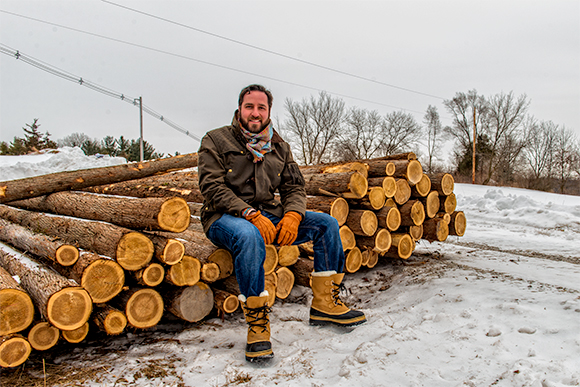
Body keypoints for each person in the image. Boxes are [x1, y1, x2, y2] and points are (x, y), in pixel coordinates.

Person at [198, 84, 366, 363]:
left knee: (326, 224)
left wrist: (293, 215)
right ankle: (257, 325)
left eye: (261, 107)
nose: (255, 113)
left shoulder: (279, 146)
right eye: (249, 106)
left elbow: (294, 187)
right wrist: (249, 213)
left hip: (270, 214)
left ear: (268, 112)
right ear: (240, 108)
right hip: (224, 218)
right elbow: (212, 187)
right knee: (249, 235)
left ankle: (325, 304)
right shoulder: (216, 140)